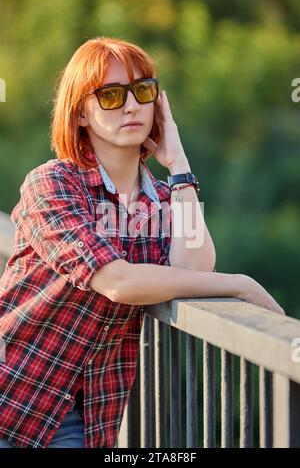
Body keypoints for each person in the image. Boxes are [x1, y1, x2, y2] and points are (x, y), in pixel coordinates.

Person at [0, 36, 285, 449]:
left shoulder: (165, 201)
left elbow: (193, 271)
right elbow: (118, 282)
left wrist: (179, 164)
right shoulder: (53, 184)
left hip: (87, 418)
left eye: (143, 91)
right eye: (111, 95)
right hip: (14, 396)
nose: (131, 105)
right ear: (81, 112)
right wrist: (238, 283)